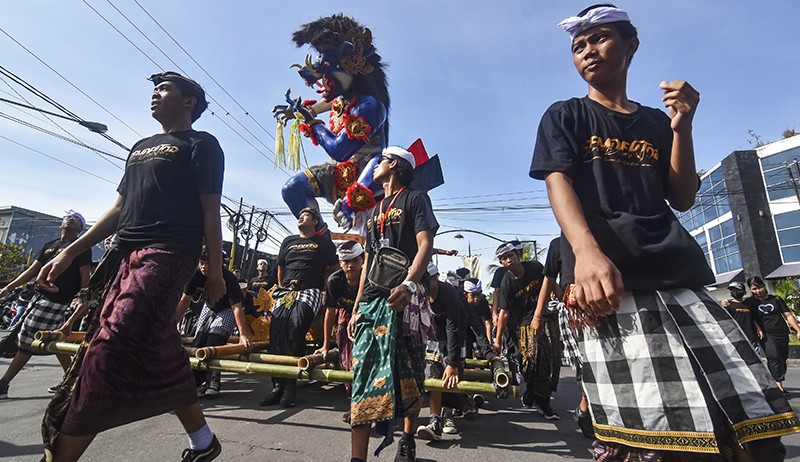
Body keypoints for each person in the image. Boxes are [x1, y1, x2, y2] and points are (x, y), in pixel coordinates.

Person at [530, 4, 798, 459]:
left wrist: (683, 128)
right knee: (649, 434)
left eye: (599, 39)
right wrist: (587, 252)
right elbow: (558, 180)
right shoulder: (566, 115)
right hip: (610, 283)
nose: (587, 52)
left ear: (631, 45)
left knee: (747, 415)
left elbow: (683, 196)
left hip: (678, 271)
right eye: (578, 46)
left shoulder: (656, 121)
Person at [35, 71, 226, 462]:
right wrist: (70, 251)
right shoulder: (140, 147)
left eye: (165, 89)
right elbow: (120, 208)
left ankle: (64, 449)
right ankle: (204, 442)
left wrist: (216, 272)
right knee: (159, 342)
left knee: (110, 343)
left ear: (189, 101)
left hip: (170, 253)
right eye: (154, 90)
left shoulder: (202, 144)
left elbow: (211, 209)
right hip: (123, 256)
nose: (155, 95)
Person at [347, 146, 438, 462]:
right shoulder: (372, 211)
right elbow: (369, 259)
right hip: (374, 299)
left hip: (406, 296)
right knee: (363, 375)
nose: (375, 166)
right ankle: (357, 458)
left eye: (381, 160)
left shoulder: (416, 199)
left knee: (409, 372)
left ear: (396, 166)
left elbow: (426, 244)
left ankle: (407, 441)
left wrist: (410, 283)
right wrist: (358, 304)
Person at [0, 212, 92, 399]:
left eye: (77, 219)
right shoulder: (49, 246)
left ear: (80, 228)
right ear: (61, 224)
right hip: (39, 297)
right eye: (68, 217)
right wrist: (9, 287)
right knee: (55, 343)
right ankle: (75, 381)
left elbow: (85, 276)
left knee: (27, 340)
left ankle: (3, 384)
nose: (71, 219)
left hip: (58, 300)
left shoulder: (80, 248)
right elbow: (32, 270)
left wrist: (82, 298)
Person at [259, 207, 338, 408]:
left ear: (315, 221)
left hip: (309, 291)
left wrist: (325, 289)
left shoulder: (324, 243)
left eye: (306, 215)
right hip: (285, 291)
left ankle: (290, 387)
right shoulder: (288, 241)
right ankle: (277, 386)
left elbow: (334, 267)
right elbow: (281, 268)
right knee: (276, 333)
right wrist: (281, 287)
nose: (300, 217)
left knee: (295, 329)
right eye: (299, 215)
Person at [493, 242, 557, 420]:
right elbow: (504, 313)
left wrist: (560, 297)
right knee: (527, 360)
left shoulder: (535, 267)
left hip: (543, 315)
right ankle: (530, 387)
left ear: (518, 256)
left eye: (511, 256)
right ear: (502, 263)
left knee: (545, 358)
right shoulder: (507, 282)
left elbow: (550, 282)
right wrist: (498, 340)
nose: (509, 260)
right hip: (520, 323)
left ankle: (543, 401)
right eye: (504, 259)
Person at [176, 248, 253, 398]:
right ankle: (195, 380)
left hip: (227, 309)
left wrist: (243, 334)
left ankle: (214, 382)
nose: (204, 266)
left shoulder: (229, 278)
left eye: (208, 263)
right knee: (198, 344)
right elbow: (184, 301)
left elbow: (237, 308)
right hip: (209, 306)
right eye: (201, 263)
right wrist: (172, 325)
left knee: (214, 342)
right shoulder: (196, 275)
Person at [315, 240, 364, 423]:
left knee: (364, 362)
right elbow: (330, 313)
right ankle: (354, 404)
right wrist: (325, 345)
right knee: (347, 363)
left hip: (367, 317)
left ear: (362, 260)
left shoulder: (369, 278)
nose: (350, 265)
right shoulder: (335, 280)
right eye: (346, 261)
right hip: (344, 320)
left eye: (354, 260)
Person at [417, 263, 464, 441]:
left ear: (435, 278)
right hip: (431, 334)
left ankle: (447, 415)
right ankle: (434, 419)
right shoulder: (418, 293)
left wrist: (452, 362)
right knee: (432, 373)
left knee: (449, 372)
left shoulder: (449, 294)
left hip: (454, 331)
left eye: (427, 281)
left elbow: (454, 328)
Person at [745, 276, 800, 395]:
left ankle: (779, 380)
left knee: (782, 358)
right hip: (766, 335)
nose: (757, 291)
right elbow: (743, 311)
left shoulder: (776, 299)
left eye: (759, 287)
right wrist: (726, 303)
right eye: (754, 289)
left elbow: (788, 316)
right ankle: (778, 387)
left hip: (781, 333)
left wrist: (798, 330)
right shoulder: (750, 302)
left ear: (764, 286)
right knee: (774, 357)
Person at [724, 281, 763, 355]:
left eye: (738, 290)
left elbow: (753, 318)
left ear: (744, 292)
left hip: (751, 336)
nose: (735, 292)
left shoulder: (748, 304)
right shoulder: (728, 305)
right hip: (737, 338)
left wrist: (759, 329)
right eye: (732, 290)